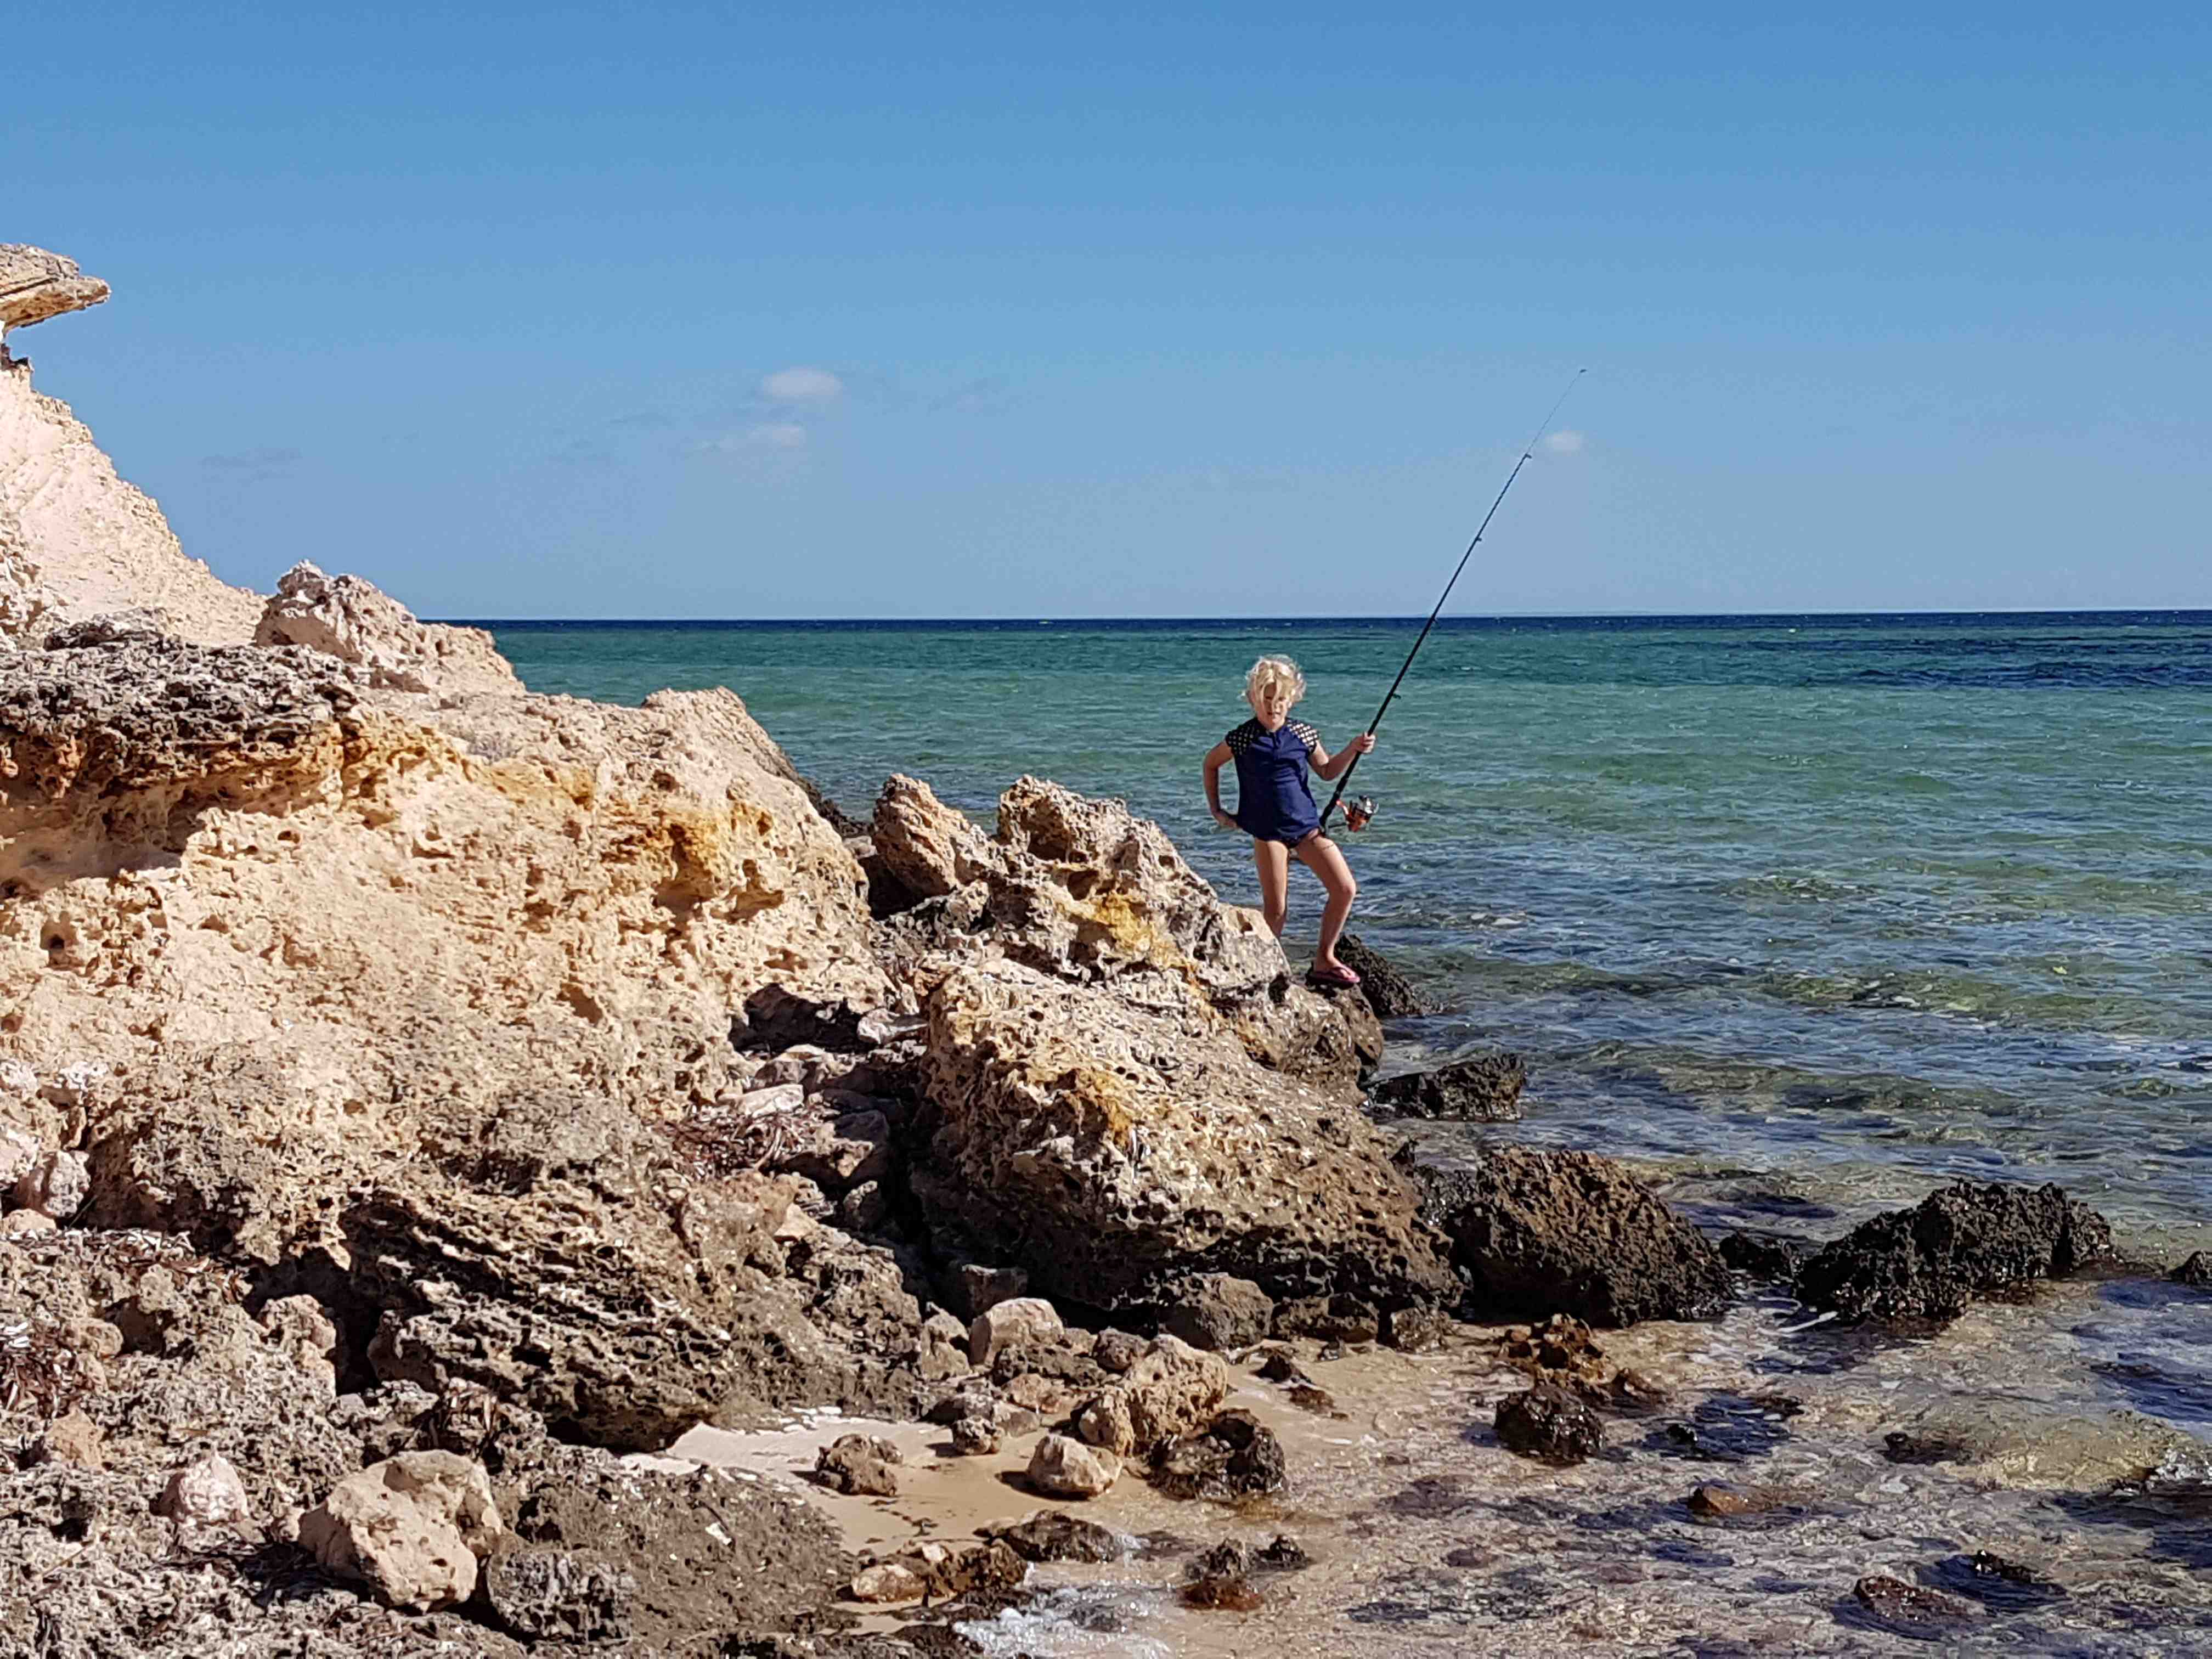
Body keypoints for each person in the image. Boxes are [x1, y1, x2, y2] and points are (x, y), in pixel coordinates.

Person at [1201, 654, 1374, 985]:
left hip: (1307, 829)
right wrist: (1217, 810)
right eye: (1267, 699)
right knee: (1277, 910)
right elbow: (1210, 764)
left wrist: (1354, 748)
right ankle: (1266, 970)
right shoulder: (1243, 738)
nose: (1274, 707)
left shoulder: (1304, 734)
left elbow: (1327, 771)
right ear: (1253, 699)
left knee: (1345, 889)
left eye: (1281, 699)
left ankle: (1324, 959)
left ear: (1291, 700)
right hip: (1268, 833)